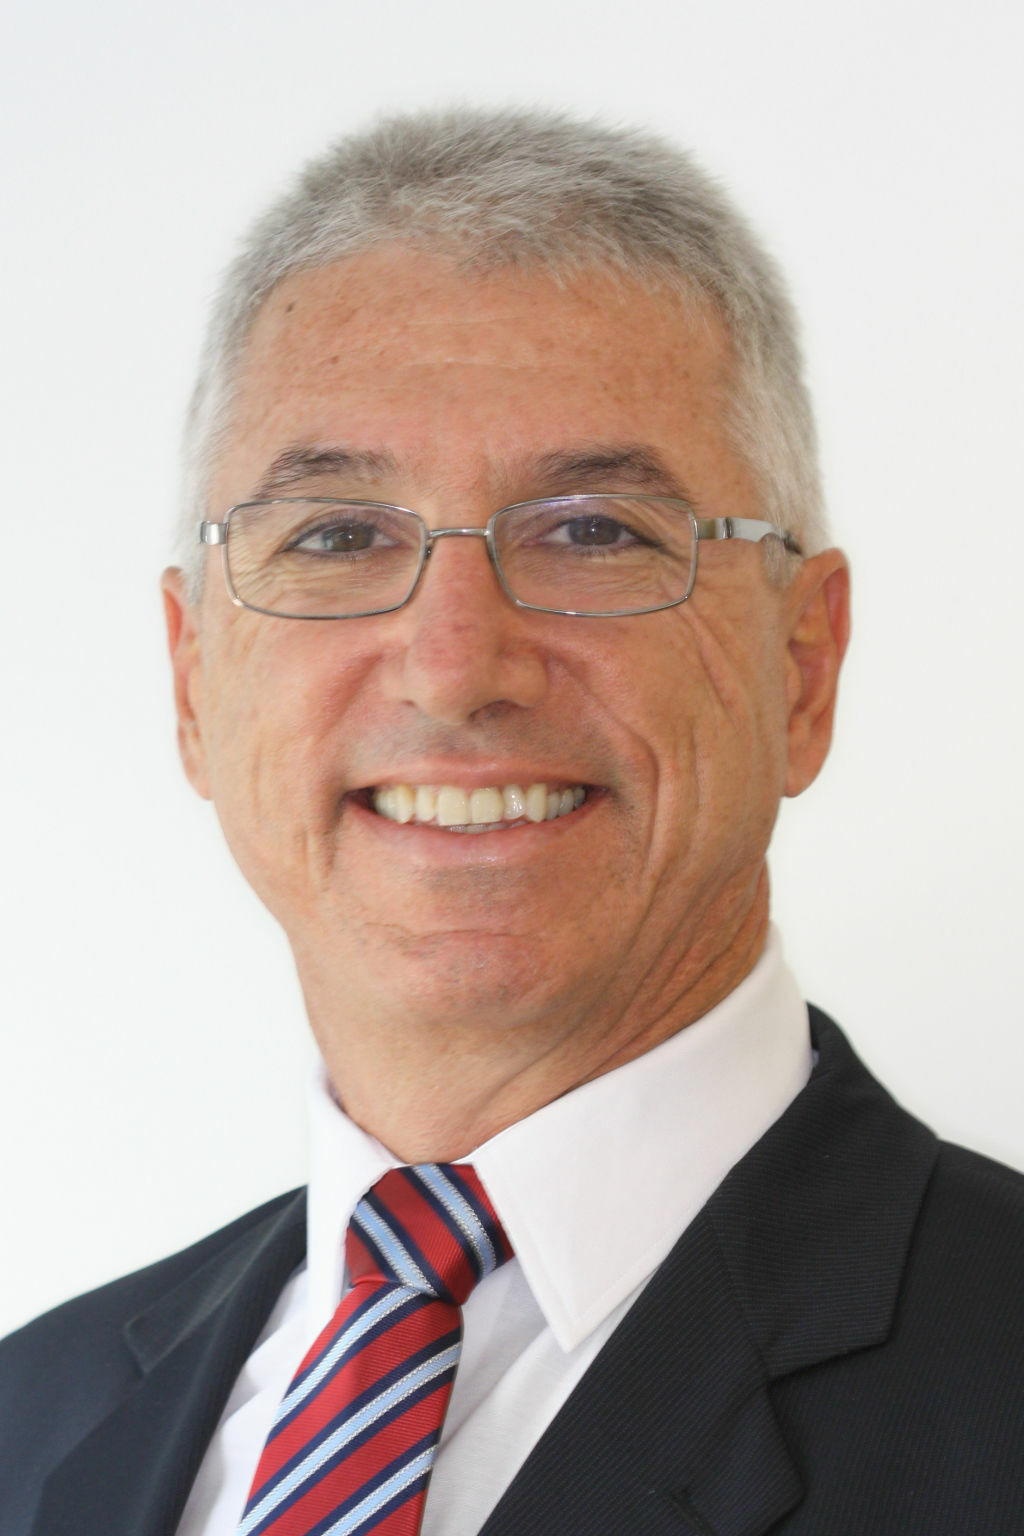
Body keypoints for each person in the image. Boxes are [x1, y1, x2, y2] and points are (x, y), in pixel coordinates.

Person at [1, 108, 1021, 1536]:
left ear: (804, 665)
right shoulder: (29, 1417)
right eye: (338, 536)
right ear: (191, 681)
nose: (456, 666)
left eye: (594, 531)